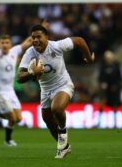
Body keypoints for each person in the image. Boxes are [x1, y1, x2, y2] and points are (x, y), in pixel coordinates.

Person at [17, 24, 94, 158]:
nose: (35, 40)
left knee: (57, 109)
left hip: (63, 85)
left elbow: (79, 41)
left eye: (38, 37)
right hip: (45, 90)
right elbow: (19, 77)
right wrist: (31, 72)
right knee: (47, 119)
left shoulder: (57, 46)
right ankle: (64, 146)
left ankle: (63, 132)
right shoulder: (30, 53)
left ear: (46, 37)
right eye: (33, 37)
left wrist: (88, 57)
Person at [97, 50, 122, 128]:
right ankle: (99, 122)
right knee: (102, 103)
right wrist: (102, 83)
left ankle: (115, 123)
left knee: (115, 105)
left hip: (115, 88)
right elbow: (100, 77)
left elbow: (120, 77)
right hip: (105, 89)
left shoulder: (117, 65)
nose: (107, 59)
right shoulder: (102, 66)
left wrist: (116, 85)